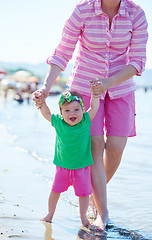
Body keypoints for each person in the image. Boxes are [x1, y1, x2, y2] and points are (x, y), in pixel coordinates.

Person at [33, 0, 148, 231]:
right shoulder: (82, 10)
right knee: (95, 147)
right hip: (84, 89)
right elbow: (62, 52)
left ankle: (94, 194)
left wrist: (109, 82)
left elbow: (137, 61)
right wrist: (46, 87)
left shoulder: (136, 14)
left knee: (115, 150)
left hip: (121, 88)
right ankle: (102, 213)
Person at [34, 89, 100, 227]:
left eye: (76, 109)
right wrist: (42, 103)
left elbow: (94, 107)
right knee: (55, 191)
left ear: (82, 110)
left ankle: (83, 217)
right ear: (61, 112)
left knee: (83, 194)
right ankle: (50, 213)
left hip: (82, 168)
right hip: (62, 167)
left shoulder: (86, 121)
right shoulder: (58, 122)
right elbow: (47, 113)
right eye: (67, 111)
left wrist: (95, 95)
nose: (72, 113)